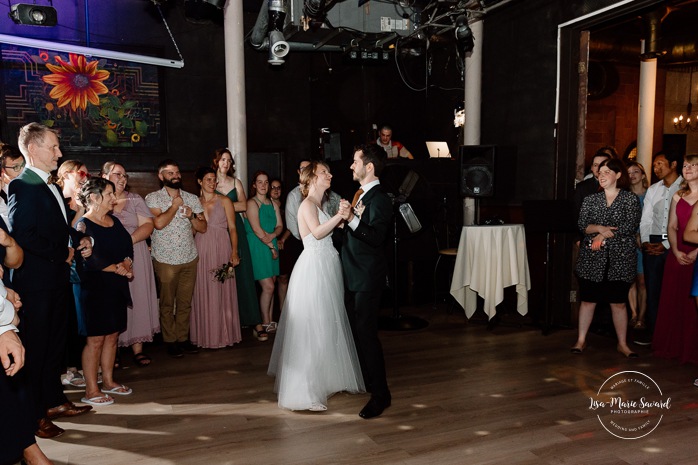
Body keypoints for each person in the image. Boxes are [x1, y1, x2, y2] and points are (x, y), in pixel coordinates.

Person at [9, 122, 93, 439]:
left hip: (55, 279)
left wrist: (79, 240)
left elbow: (56, 228)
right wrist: (62, 253)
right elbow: (23, 235)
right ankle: (33, 417)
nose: (59, 153)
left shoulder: (49, 185)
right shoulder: (22, 185)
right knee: (37, 349)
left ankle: (53, 401)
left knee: (55, 346)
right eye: (54, 147)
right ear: (33, 149)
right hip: (37, 283)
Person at [268, 161, 365, 411]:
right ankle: (305, 391)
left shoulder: (319, 204)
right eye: (324, 172)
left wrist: (352, 214)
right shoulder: (307, 205)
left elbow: (334, 229)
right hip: (314, 270)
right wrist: (339, 216)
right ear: (312, 179)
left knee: (326, 325)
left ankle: (325, 381)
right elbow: (318, 233)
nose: (330, 175)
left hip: (327, 264)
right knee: (312, 328)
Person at [338, 144, 393, 419]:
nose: (351, 166)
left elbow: (375, 237)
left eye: (355, 161)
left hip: (367, 279)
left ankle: (381, 395)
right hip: (353, 275)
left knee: (368, 337)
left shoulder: (380, 199)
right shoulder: (361, 195)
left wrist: (351, 219)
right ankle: (368, 382)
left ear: (368, 167)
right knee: (358, 334)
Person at [571, 158, 641, 358]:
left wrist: (602, 235)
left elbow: (629, 226)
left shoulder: (630, 199)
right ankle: (581, 340)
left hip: (620, 258)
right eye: (600, 172)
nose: (602, 175)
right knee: (588, 300)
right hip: (592, 258)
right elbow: (583, 225)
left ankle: (622, 344)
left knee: (618, 302)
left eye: (607, 172)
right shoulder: (590, 200)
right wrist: (600, 229)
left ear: (618, 175)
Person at [75, 178, 134, 406]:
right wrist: (117, 268)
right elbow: (87, 257)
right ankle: (91, 390)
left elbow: (127, 245)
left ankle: (109, 381)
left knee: (112, 335)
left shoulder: (115, 221)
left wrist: (127, 263)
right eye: (109, 194)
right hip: (94, 288)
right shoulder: (83, 225)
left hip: (116, 286)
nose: (113, 198)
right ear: (93, 198)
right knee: (96, 339)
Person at [146, 159, 207, 358]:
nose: (176, 176)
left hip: (189, 257)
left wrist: (191, 216)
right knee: (166, 303)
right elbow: (159, 224)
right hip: (165, 259)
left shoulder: (192, 198)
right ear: (161, 176)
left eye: (178, 172)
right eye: (170, 173)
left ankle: (183, 339)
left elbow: (203, 227)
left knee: (184, 302)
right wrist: (174, 207)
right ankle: (170, 341)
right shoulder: (152, 198)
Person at [102, 162, 159, 367]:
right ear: (104, 176)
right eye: (118, 174)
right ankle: (112, 349)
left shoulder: (135, 199)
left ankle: (138, 348)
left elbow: (148, 225)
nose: (123, 178)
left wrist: (126, 243)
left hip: (137, 252)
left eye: (125, 175)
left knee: (138, 297)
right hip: (109, 257)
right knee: (113, 300)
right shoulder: (100, 199)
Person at [212, 148, 264, 340]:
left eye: (229, 160)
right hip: (218, 229)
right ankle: (224, 322)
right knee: (222, 275)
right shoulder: (210, 181)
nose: (226, 163)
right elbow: (204, 204)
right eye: (222, 159)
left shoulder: (236, 182)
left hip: (238, 231)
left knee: (243, 274)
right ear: (216, 161)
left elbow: (244, 205)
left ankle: (254, 320)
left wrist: (222, 206)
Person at [652, 155, 698, 364]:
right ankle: (671, 346)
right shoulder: (678, 195)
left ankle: (691, 350)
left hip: (696, 254)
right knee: (673, 298)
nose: (688, 169)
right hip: (677, 251)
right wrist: (676, 250)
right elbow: (671, 226)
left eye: (693, 165)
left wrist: (695, 253)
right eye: (686, 165)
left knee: (692, 304)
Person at [190, 167, 242, 349]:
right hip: (201, 247)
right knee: (202, 288)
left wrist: (234, 252)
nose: (212, 183)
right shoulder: (194, 202)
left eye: (214, 179)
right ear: (200, 182)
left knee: (222, 289)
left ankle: (224, 335)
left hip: (221, 246)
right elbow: (193, 230)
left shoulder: (225, 200)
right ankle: (205, 335)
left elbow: (233, 228)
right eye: (208, 180)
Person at [637, 151, 683, 345]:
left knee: (674, 291)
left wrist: (665, 245)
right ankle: (654, 334)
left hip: (675, 243)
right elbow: (646, 218)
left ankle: (673, 335)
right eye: (654, 165)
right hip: (652, 243)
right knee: (653, 290)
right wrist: (647, 241)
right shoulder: (654, 189)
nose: (656, 168)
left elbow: (683, 222)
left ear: (673, 164)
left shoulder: (684, 187)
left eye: (660, 164)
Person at [56, 160, 90, 386]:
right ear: (67, 174)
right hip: (64, 268)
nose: (84, 177)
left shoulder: (81, 203)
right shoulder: (58, 199)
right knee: (67, 318)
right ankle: (70, 368)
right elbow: (65, 231)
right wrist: (78, 210)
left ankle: (82, 364)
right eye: (81, 173)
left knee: (81, 317)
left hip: (81, 266)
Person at [245, 171, 283, 340]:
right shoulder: (252, 203)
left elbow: (280, 226)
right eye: (259, 182)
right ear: (254, 184)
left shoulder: (273, 203)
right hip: (258, 246)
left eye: (266, 182)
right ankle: (264, 322)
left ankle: (269, 320)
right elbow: (256, 229)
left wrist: (273, 237)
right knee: (268, 286)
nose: (263, 185)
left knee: (272, 284)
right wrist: (271, 247)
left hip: (270, 242)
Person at [627, 161, 648, 329]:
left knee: (642, 281)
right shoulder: (625, 196)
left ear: (643, 175)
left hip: (644, 242)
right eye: (629, 172)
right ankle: (633, 314)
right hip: (627, 242)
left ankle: (642, 316)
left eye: (636, 171)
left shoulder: (650, 194)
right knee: (630, 280)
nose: (632, 175)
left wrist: (642, 236)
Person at [574, 147, 615, 222]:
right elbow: (577, 215)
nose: (599, 168)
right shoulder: (582, 187)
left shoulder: (619, 186)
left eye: (602, 164)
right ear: (592, 168)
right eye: (596, 165)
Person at [270, 178, 290, 315]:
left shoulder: (287, 206)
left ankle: (283, 312)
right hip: (268, 243)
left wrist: (282, 239)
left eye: (279, 188)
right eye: (273, 187)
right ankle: (269, 316)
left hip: (285, 244)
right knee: (270, 281)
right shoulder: (265, 205)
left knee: (283, 277)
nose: (276, 190)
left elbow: (292, 225)